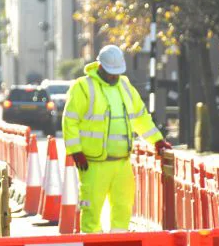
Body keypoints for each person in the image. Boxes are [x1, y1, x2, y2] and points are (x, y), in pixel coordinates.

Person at [62, 44, 172, 233]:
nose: (114, 76)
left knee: (123, 206)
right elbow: (70, 121)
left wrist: (157, 140)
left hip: (122, 162)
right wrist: (75, 151)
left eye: (117, 72)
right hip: (93, 162)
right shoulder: (83, 87)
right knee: (92, 209)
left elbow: (140, 117)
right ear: (100, 66)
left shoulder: (125, 86)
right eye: (110, 72)